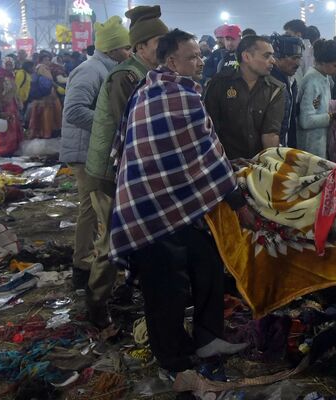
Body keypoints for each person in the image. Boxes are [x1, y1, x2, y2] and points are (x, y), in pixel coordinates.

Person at [109, 28, 250, 377]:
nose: (201, 61)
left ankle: (208, 336)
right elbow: (205, 154)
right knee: (164, 286)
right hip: (147, 206)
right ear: (171, 61)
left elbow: (196, 153)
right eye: (193, 57)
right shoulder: (171, 94)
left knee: (206, 257)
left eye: (201, 55)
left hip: (166, 201)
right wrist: (237, 201)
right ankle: (171, 358)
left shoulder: (159, 89)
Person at [84, 5, 168, 328]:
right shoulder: (126, 77)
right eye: (159, 42)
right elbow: (130, 131)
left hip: (132, 171)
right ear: (140, 47)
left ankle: (131, 292)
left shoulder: (148, 74)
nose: (165, 47)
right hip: (110, 173)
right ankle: (96, 305)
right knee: (110, 241)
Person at [59, 16, 130, 292]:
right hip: (84, 151)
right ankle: (83, 264)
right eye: (125, 48)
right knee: (91, 208)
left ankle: (88, 261)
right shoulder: (92, 70)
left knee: (93, 207)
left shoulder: (105, 68)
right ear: (112, 49)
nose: (128, 53)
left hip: (91, 149)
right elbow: (74, 111)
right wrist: (106, 123)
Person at [204, 35, 286, 159]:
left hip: (258, 163)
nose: (273, 61)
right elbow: (210, 128)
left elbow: (270, 133)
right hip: (225, 162)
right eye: (266, 56)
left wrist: (270, 167)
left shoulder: (275, 89)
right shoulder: (220, 84)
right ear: (247, 56)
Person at [297, 39, 336, 158]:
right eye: (335, 65)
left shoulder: (324, 77)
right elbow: (305, 121)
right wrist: (331, 116)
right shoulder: (312, 81)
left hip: (320, 137)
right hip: (311, 143)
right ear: (322, 62)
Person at [269, 35, 304, 147]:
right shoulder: (271, 85)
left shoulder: (291, 81)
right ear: (277, 57)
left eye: (299, 58)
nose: (298, 63)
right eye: (293, 58)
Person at [0, 49, 24, 157]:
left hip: (12, 105)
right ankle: (3, 149)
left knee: (12, 127)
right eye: (8, 64)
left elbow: (14, 91)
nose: (10, 66)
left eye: (11, 64)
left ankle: (12, 148)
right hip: (3, 106)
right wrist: (0, 106)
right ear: (4, 65)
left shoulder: (11, 75)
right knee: (3, 128)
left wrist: (18, 101)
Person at [27, 53, 63, 138]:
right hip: (47, 96)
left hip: (43, 96)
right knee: (47, 115)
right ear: (41, 61)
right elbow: (49, 81)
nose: (48, 61)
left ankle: (45, 132)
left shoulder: (40, 68)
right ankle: (47, 133)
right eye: (46, 60)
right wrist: (57, 87)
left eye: (48, 59)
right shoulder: (42, 68)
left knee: (44, 114)